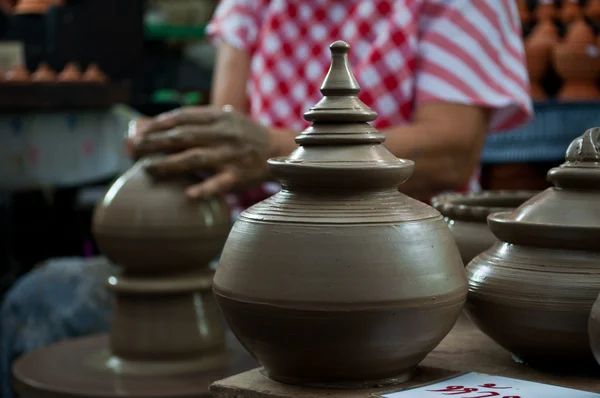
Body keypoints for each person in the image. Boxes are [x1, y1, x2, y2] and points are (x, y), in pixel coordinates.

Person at [0, 1, 532, 396]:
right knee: (42, 296)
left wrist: (274, 150)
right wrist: (180, 141)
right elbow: (223, 134)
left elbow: (452, 151)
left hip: (404, 268)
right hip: (248, 263)